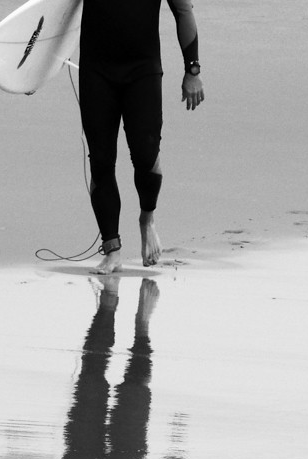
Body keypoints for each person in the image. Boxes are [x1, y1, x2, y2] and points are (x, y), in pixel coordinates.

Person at [78, 0, 204, 274]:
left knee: (146, 157)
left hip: (142, 72)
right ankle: (112, 250)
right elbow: (52, 13)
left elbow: (183, 11)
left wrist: (192, 69)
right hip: (96, 72)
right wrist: (31, 72)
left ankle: (147, 218)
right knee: (100, 160)